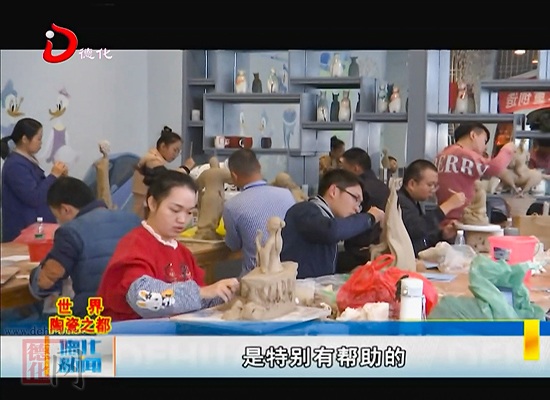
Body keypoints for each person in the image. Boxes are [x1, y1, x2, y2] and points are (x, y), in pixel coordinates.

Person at [97, 170, 239, 321]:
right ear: (152, 203)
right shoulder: (134, 244)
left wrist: (228, 292)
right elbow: (143, 298)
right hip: (131, 332)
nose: (182, 219)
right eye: (175, 210)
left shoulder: (183, 252)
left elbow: (198, 300)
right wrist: (203, 292)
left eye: (189, 213)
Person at [28, 177, 141, 317]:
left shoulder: (70, 231)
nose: (58, 221)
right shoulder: (133, 220)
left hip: (95, 315)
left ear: (65, 209)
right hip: (137, 311)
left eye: (56, 216)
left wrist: (37, 274)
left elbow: (46, 281)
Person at [280, 169, 385, 279]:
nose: (357, 209)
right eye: (355, 198)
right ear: (333, 191)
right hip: (297, 287)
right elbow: (332, 231)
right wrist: (370, 217)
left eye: (360, 204)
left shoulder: (325, 218)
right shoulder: (304, 210)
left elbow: (325, 261)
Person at [223, 149, 296, 275]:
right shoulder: (287, 195)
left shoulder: (231, 206)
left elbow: (233, 246)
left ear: (234, 175)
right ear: (259, 167)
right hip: (288, 273)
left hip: (255, 276)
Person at [1, 118, 68, 242]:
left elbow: (41, 189)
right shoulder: (15, 165)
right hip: (24, 234)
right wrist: (53, 175)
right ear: (25, 139)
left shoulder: (26, 161)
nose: (41, 143)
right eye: (38, 139)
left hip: (35, 232)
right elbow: (34, 197)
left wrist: (58, 177)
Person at [435, 122, 515, 222]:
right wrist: (508, 149)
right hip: (463, 218)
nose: (485, 147)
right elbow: (495, 167)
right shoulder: (464, 154)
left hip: (443, 216)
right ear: (473, 135)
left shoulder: (442, 154)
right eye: (484, 141)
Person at [398, 159, 466, 256]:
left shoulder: (414, 203)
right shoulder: (399, 201)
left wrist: (442, 234)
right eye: (430, 185)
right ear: (412, 184)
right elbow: (416, 230)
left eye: (434, 185)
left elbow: (423, 238)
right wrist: (448, 205)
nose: (433, 190)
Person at [338, 147, 390, 272]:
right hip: (379, 249)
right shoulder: (383, 187)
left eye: (343, 167)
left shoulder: (356, 188)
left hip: (358, 251)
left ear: (355, 168)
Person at [132, 126, 195, 219]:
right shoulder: (151, 160)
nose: (176, 155)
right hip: (142, 207)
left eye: (179, 152)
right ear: (163, 146)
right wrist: (186, 168)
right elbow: (167, 178)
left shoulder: (153, 159)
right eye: (175, 150)